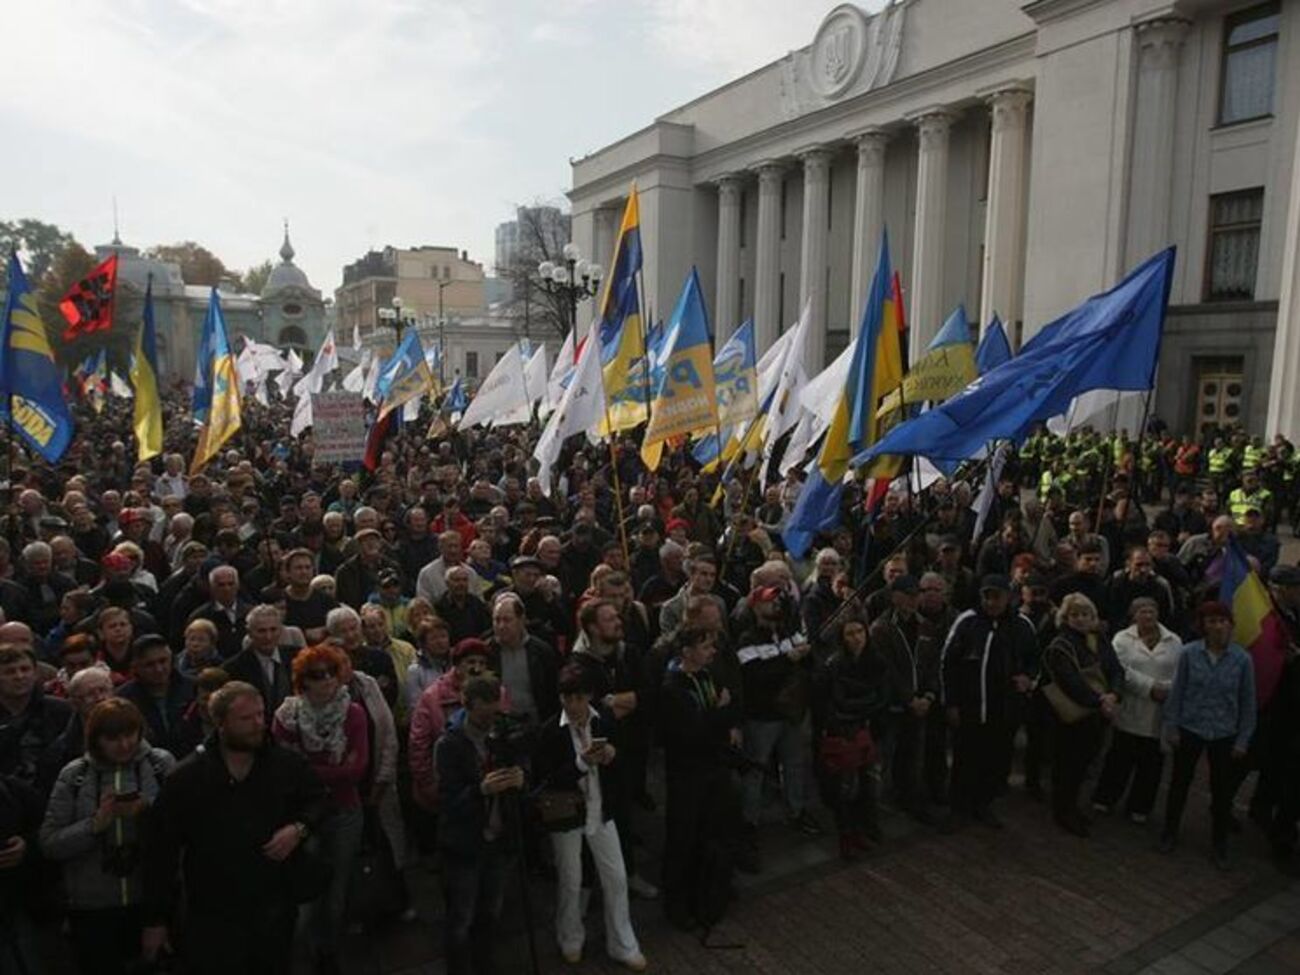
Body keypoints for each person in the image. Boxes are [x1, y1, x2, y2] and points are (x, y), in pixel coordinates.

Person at [141, 681, 331, 974]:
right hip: (215, 911)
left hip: (273, 902)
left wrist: (299, 828)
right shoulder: (188, 778)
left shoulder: (284, 764)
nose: (258, 724)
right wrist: (156, 919)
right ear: (221, 723)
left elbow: (318, 800)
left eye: (260, 715)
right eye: (246, 718)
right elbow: (161, 851)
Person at [39, 698, 176, 975]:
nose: (124, 745)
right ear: (96, 739)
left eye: (130, 735)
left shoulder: (160, 765)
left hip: (150, 903)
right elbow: (50, 844)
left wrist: (147, 814)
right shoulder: (75, 775)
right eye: (113, 738)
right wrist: (95, 825)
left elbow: (183, 832)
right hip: (92, 910)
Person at [532, 664, 646, 971]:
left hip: (601, 810)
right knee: (571, 880)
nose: (573, 706)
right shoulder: (549, 732)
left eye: (579, 698)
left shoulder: (604, 721)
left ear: (589, 697)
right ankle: (570, 937)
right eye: (567, 699)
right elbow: (545, 781)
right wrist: (581, 764)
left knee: (616, 878)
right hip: (566, 815)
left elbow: (624, 765)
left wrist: (612, 756)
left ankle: (622, 942)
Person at [272, 644, 369, 975]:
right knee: (307, 891)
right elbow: (283, 771)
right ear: (303, 681)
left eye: (331, 672)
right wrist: (331, 771)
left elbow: (357, 771)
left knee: (337, 887)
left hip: (344, 811)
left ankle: (328, 950)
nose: (326, 680)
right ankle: (301, 954)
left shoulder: (352, 713)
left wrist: (309, 770)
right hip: (303, 816)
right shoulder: (287, 717)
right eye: (317, 675)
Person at [434, 674, 525, 975]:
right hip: (465, 845)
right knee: (461, 917)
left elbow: (523, 770)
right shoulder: (449, 745)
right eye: (486, 713)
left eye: (496, 711)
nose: (492, 720)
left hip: (498, 840)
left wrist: (520, 779)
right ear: (468, 706)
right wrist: (481, 791)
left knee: (490, 911)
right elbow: (446, 803)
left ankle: (485, 963)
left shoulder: (501, 735)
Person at [1159, 601, 1257, 869]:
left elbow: (1248, 704)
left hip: (1224, 733)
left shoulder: (1242, 660)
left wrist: (1243, 740)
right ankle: (1169, 831)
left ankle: (1219, 843)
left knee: (1222, 792)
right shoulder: (1190, 654)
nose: (1217, 627)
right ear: (1203, 626)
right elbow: (1177, 693)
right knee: (1180, 784)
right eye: (1211, 621)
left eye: (1222, 621)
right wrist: (1172, 726)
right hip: (1190, 728)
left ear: (1231, 625)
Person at [658, 626, 742, 932]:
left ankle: (708, 893)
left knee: (712, 833)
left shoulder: (707, 676)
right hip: (687, 774)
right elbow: (692, 731)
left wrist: (722, 718)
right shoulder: (672, 688)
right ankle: (677, 904)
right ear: (687, 651)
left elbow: (726, 709)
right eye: (705, 646)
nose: (712, 651)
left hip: (713, 768)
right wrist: (720, 716)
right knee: (683, 840)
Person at [940, 575, 1035, 828]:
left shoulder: (1022, 625)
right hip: (971, 706)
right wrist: (951, 702)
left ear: (1008, 598)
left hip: (1004, 709)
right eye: (987, 596)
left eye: (997, 597)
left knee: (995, 761)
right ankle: (958, 808)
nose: (991, 602)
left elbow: (1035, 660)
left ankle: (983, 804)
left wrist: (1028, 678)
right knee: (964, 760)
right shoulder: (967, 621)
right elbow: (947, 663)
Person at [1092, 597, 1183, 824]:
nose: (1148, 616)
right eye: (1143, 611)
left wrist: (1166, 689)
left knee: (1151, 765)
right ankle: (1106, 798)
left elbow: (1182, 673)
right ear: (1134, 615)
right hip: (1131, 706)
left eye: (1152, 611)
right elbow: (1119, 669)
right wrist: (1149, 687)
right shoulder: (1122, 639)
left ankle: (1140, 806)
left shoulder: (1175, 641)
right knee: (1120, 758)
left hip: (1159, 712)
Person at [1040, 594, 1123, 837]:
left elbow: (1116, 669)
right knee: (1068, 765)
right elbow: (1069, 682)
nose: (1080, 619)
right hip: (1072, 716)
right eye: (1074, 615)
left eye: (1085, 614)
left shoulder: (1100, 639)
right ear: (1065, 618)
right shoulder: (1061, 644)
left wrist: (1114, 695)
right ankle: (1063, 811)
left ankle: (1073, 806)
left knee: (1086, 763)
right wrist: (1100, 700)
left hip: (1097, 713)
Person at [819, 616, 888, 858]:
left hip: (868, 730)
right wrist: (864, 701)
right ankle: (846, 837)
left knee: (868, 786)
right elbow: (838, 703)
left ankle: (862, 829)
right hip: (844, 733)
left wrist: (863, 703)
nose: (857, 637)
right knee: (846, 789)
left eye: (860, 631)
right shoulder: (835, 664)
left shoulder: (875, 660)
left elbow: (881, 696)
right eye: (850, 633)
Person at [0, 643, 73, 790]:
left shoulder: (62, 711)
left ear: (35, 673)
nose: (19, 676)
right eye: (10, 672)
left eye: (25, 669)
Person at [115, 634, 195, 759]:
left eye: (163, 661)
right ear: (136, 667)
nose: (159, 669)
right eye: (149, 665)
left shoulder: (193, 688)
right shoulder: (123, 699)